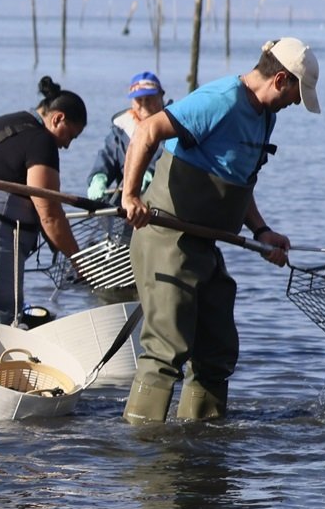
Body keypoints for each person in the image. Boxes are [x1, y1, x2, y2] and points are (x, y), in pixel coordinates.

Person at [119, 39, 313, 422]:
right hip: (166, 236)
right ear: (280, 79)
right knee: (166, 347)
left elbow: (239, 179)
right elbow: (147, 132)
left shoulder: (264, 116)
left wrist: (261, 230)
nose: (295, 104)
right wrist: (130, 196)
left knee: (218, 349)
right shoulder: (221, 99)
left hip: (206, 244)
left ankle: (202, 443)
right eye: (296, 94)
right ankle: (143, 449)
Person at [0, 76, 85, 323]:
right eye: (70, 135)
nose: (67, 145)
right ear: (57, 118)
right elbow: (49, 212)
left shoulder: (0, 124)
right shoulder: (41, 140)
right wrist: (78, 260)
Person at [86, 71, 166, 206]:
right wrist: (99, 177)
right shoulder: (121, 129)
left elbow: (167, 154)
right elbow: (108, 156)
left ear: (161, 97)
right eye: (139, 100)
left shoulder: (172, 125)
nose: (144, 104)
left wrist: (149, 174)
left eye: (149, 99)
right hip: (130, 200)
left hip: (162, 199)